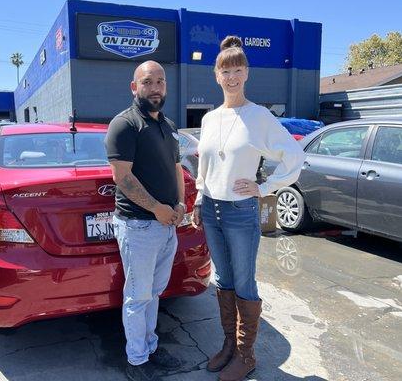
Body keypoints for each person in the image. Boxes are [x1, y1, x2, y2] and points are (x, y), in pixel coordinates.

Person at [191, 36, 306, 381]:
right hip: (211, 208)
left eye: (238, 70)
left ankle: (246, 355)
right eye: (225, 71)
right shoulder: (210, 119)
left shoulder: (259, 116)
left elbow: (294, 154)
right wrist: (199, 197)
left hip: (241, 210)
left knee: (244, 282)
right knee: (223, 279)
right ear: (216, 75)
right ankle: (229, 345)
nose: (232, 77)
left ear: (247, 73)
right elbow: (205, 166)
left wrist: (265, 187)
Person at [104, 60, 185, 381]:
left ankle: (150, 346)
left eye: (160, 82)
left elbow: (176, 168)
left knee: (154, 293)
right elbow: (122, 178)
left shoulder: (168, 125)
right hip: (139, 225)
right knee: (138, 296)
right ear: (134, 87)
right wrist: (156, 208)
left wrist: (178, 203)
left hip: (166, 224)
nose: (155, 88)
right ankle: (137, 361)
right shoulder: (124, 125)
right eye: (148, 82)